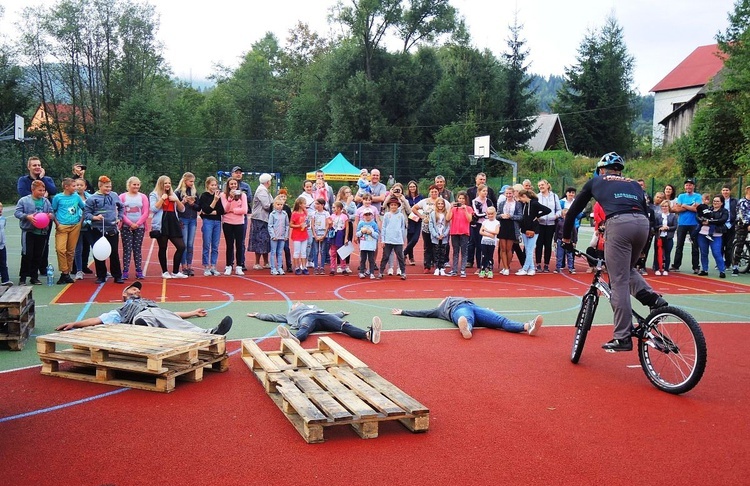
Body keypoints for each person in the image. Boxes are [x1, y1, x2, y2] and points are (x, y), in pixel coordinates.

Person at [562, 152, 668, 352]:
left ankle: (622, 336)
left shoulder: (596, 181)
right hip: (643, 225)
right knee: (627, 269)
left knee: (617, 279)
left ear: (601, 170)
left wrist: (566, 240)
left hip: (619, 224)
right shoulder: (635, 184)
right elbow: (647, 211)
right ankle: (654, 299)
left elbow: (573, 212)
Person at [55, 280, 233, 335]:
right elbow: (97, 320)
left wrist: (192, 312)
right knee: (150, 316)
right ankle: (207, 333)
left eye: (138, 289)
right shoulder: (118, 311)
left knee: (166, 317)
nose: (137, 290)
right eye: (133, 289)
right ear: (124, 294)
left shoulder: (149, 302)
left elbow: (172, 315)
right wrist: (74, 323)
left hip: (155, 315)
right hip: (138, 317)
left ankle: (209, 332)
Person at [392, 296, 543, 339]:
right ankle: (466, 328)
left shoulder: (449, 300)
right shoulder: (441, 309)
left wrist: (487, 310)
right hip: (459, 310)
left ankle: (527, 326)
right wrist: (404, 311)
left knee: (500, 320)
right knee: (465, 317)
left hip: (475, 308)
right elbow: (423, 312)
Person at [247, 302, 382, 344]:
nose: (298, 302)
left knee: (343, 325)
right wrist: (258, 315)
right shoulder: (290, 315)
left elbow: (331, 315)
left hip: (323, 316)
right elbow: (273, 317)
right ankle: (295, 339)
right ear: (292, 308)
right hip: (307, 318)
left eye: (299, 302)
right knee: (305, 327)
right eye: (295, 303)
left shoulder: (314, 307)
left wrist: (340, 313)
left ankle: (368, 334)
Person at [18, 156, 57, 277]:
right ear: (29, 167)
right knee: (29, 246)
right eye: (34, 165)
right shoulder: (23, 180)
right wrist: (39, 194)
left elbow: (53, 190)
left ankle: (42, 267)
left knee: (43, 242)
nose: (37, 167)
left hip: (44, 218)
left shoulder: (47, 179)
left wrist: (41, 178)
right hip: (30, 219)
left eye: (39, 165)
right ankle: (27, 270)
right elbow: (22, 192)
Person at [85, 176, 124, 284]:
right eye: (106, 187)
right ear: (100, 186)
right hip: (97, 229)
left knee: (114, 253)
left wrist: (119, 218)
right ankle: (101, 275)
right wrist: (95, 217)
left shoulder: (114, 195)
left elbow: (121, 207)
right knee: (99, 252)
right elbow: (86, 213)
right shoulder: (92, 198)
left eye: (110, 187)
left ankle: (117, 276)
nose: (108, 189)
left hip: (112, 229)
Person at [15, 180, 54, 285]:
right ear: (33, 190)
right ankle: (22, 278)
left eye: (43, 190)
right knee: (27, 254)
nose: (42, 192)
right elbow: (17, 212)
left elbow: (51, 212)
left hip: (41, 232)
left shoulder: (45, 201)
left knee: (38, 255)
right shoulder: (24, 200)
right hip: (29, 232)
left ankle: (34, 277)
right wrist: (27, 216)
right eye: (39, 190)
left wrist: (50, 215)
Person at [149, 176, 187, 280]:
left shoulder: (173, 194)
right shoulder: (154, 194)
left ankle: (175, 271)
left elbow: (182, 209)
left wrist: (177, 200)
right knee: (163, 247)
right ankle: (165, 271)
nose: (168, 185)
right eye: (165, 183)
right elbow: (153, 209)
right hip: (162, 222)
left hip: (173, 222)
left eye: (169, 183)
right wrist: (162, 199)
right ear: (161, 184)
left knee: (181, 246)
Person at [51, 178, 86, 284]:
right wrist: (57, 224)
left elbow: (84, 208)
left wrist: (80, 222)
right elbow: (53, 211)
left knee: (70, 251)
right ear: (66, 187)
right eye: (74, 186)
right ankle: (65, 271)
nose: (76, 188)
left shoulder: (76, 197)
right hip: (62, 226)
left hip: (75, 226)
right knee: (60, 249)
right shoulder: (58, 197)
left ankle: (65, 274)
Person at [119, 176, 149, 280]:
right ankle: (125, 271)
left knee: (137, 249)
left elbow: (146, 212)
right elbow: (121, 212)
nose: (136, 186)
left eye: (138, 184)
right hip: (126, 227)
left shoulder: (143, 197)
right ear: (129, 185)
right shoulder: (122, 196)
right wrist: (130, 223)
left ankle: (139, 271)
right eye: (134, 184)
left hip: (139, 227)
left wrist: (138, 224)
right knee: (127, 249)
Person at [516, 189, 551, 276]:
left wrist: (538, 215)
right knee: (527, 249)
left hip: (533, 229)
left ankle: (525, 268)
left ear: (524, 196)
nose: (520, 200)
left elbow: (547, 210)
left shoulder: (534, 203)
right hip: (524, 229)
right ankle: (531, 268)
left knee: (530, 249)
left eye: (520, 198)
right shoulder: (524, 204)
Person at [670, 178, 702, 274]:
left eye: (690, 185)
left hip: (694, 224)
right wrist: (690, 206)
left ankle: (696, 267)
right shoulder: (681, 196)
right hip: (682, 224)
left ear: (693, 186)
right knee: (679, 245)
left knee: (695, 246)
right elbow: (677, 209)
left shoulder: (698, 196)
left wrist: (684, 206)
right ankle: (676, 265)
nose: (688, 186)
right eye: (687, 185)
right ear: (685, 186)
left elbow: (697, 209)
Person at [696, 194, 729, 278]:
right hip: (703, 234)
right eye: (714, 201)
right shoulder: (708, 209)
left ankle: (722, 270)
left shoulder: (724, 211)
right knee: (703, 252)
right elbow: (698, 216)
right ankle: (704, 269)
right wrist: (702, 221)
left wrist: (710, 222)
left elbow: (722, 220)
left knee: (716, 253)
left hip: (716, 235)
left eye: (717, 201)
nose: (715, 203)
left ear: (722, 202)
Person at [220, 178, 248, 275]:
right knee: (229, 244)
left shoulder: (243, 195)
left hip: (239, 223)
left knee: (239, 244)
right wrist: (230, 199)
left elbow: (245, 210)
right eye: (231, 184)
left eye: (235, 184)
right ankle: (228, 265)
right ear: (228, 185)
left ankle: (239, 266)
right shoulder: (223, 195)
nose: (233, 185)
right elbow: (225, 209)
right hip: (227, 222)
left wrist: (234, 211)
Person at [198, 176, 225, 276]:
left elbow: (222, 211)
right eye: (212, 185)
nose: (214, 187)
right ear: (208, 185)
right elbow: (205, 210)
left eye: (215, 185)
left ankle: (213, 266)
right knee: (206, 244)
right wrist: (214, 201)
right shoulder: (204, 196)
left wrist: (212, 211)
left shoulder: (219, 196)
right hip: (207, 222)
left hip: (217, 222)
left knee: (215, 245)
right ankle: (206, 266)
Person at [175, 172, 200, 276]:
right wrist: (183, 202)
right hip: (183, 219)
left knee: (190, 244)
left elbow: (199, 208)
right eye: (190, 181)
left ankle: (190, 266)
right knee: (184, 244)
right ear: (185, 181)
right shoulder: (178, 192)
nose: (192, 183)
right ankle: (183, 266)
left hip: (193, 219)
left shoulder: (194, 192)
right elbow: (176, 208)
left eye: (193, 181)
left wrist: (192, 203)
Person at [411, 185, 440, 273]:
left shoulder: (441, 201)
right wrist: (421, 216)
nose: (434, 193)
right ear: (429, 192)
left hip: (437, 228)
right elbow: (414, 208)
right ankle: (427, 266)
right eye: (432, 191)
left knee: (437, 246)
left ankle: (437, 265)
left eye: (435, 191)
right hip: (426, 227)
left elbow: (448, 209)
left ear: (438, 192)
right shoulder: (424, 201)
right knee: (427, 246)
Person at [534, 179, 561, 273]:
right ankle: (538, 264)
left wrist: (556, 216)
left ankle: (546, 264)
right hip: (540, 224)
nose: (541, 187)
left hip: (551, 224)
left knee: (548, 244)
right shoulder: (537, 197)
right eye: (539, 185)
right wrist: (537, 216)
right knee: (539, 244)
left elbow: (559, 209)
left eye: (542, 185)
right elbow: (535, 209)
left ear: (547, 185)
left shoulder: (554, 196)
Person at [378, 198, 407, 280]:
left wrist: (402, 238)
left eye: (395, 205)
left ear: (398, 206)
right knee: (385, 256)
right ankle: (381, 271)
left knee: (400, 256)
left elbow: (402, 228)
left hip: (398, 240)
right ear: (389, 206)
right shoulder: (387, 215)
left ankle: (403, 272)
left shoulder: (401, 215)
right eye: (392, 205)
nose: (393, 206)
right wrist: (383, 240)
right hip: (388, 239)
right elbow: (383, 227)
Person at [249, 173, 274, 270]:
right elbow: (267, 205)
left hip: (265, 218)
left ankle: (266, 262)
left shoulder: (264, 190)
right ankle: (256, 262)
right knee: (259, 240)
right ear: (268, 181)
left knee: (265, 240)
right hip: (260, 218)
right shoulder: (261, 191)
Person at [497, 185, 522, 276]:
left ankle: (507, 266)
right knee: (503, 248)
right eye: (507, 193)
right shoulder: (501, 203)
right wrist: (501, 216)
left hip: (512, 226)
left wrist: (511, 216)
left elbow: (520, 217)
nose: (508, 195)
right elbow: (497, 215)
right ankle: (505, 267)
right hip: (503, 226)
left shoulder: (518, 204)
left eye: (510, 193)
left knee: (509, 248)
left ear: (513, 193)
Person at [448, 191, 473, 277]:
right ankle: (454, 269)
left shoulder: (469, 208)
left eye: (463, 198)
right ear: (457, 199)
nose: (461, 200)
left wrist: (465, 209)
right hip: (454, 232)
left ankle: (463, 270)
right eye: (460, 198)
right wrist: (450, 208)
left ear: (466, 200)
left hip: (464, 232)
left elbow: (469, 219)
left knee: (464, 251)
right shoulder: (454, 209)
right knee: (455, 251)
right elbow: (448, 218)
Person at [230, 166, 252, 260]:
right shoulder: (227, 185)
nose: (238, 174)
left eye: (240, 173)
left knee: (241, 240)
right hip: (230, 216)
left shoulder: (246, 186)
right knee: (230, 240)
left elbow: (250, 199)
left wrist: (240, 195)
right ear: (232, 174)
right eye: (236, 172)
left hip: (242, 216)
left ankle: (241, 262)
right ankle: (230, 262)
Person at [72, 178, 92, 279]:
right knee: (78, 249)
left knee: (94, 247)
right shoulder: (72, 198)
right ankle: (78, 270)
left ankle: (102, 270)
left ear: (85, 187)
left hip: (89, 225)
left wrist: (89, 221)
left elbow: (92, 209)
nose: (79, 187)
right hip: (77, 225)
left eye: (81, 185)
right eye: (77, 185)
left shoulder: (90, 197)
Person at [468, 184, 490, 269]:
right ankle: (479, 266)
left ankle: (487, 264)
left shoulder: (489, 201)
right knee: (479, 246)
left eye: (486, 191)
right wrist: (486, 214)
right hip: (477, 225)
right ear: (479, 192)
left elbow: (492, 211)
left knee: (487, 245)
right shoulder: (475, 201)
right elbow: (477, 214)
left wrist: (487, 215)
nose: (485, 193)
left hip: (487, 225)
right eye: (483, 191)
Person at [653, 200, 677, 275]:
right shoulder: (658, 216)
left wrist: (668, 228)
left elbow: (675, 226)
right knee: (657, 253)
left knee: (667, 254)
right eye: (663, 206)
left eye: (666, 206)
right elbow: (655, 226)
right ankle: (657, 268)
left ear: (669, 207)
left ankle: (666, 269)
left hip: (668, 238)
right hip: (659, 237)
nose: (664, 207)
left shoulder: (673, 216)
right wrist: (660, 227)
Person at [268, 195, 289, 276]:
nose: (280, 206)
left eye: (281, 204)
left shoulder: (285, 214)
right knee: (273, 252)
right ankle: (273, 268)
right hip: (275, 237)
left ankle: (280, 267)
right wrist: (273, 235)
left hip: (282, 236)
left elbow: (287, 225)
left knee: (280, 252)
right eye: (278, 204)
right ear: (274, 205)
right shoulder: (272, 214)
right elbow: (270, 225)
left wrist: (286, 235)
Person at [404, 180, 424, 266]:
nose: (412, 188)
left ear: (416, 187)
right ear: (408, 188)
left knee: (415, 239)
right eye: (410, 187)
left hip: (418, 220)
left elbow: (423, 207)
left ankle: (403, 253)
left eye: (414, 186)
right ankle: (411, 257)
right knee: (409, 238)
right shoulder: (406, 197)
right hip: (409, 220)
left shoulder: (421, 197)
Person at [731, 185, 750, 276]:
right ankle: (735, 266)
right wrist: (747, 224)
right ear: (747, 191)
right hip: (742, 225)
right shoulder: (742, 202)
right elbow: (742, 214)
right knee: (740, 244)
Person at [429, 197, 451, 276]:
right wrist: (435, 234)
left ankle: (441, 268)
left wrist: (444, 234)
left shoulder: (446, 213)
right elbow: (431, 225)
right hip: (436, 236)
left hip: (444, 236)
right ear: (436, 204)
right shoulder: (432, 214)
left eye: (442, 204)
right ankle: (437, 268)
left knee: (443, 252)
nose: (440, 205)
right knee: (436, 252)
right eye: (439, 203)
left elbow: (448, 225)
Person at [356, 207, 380, 278]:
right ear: (363, 216)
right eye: (366, 214)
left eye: (369, 214)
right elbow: (357, 234)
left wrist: (371, 233)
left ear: (372, 215)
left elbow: (377, 235)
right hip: (363, 245)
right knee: (363, 259)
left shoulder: (374, 224)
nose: (368, 216)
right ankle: (361, 272)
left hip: (371, 246)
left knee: (371, 259)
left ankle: (371, 272)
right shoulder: (361, 223)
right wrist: (361, 231)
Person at [309, 197, 330, 275]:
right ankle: (315, 267)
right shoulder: (314, 213)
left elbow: (328, 224)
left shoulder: (326, 213)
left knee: (323, 251)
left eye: (318, 204)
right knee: (316, 251)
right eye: (315, 204)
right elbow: (312, 225)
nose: (316, 205)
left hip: (323, 235)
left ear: (322, 205)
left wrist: (324, 235)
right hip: (316, 235)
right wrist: (315, 234)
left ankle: (322, 267)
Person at [327, 201, 349, 275]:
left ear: (339, 208)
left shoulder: (344, 216)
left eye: (334, 207)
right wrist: (330, 224)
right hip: (334, 234)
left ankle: (343, 267)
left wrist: (346, 238)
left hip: (340, 234)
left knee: (342, 252)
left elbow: (347, 228)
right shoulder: (332, 216)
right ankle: (332, 268)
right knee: (333, 252)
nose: (333, 209)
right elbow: (329, 227)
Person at [289, 197, 309, 275]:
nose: (305, 205)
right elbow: (291, 224)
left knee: (304, 251)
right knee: (297, 251)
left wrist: (306, 225)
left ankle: (304, 267)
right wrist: (299, 226)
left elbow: (307, 221)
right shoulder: (295, 214)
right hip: (297, 235)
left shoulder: (305, 212)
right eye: (304, 203)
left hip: (304, 234)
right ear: (300, 205)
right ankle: (297, 267)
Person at [478, 206, 500, 278]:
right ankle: (483, 270)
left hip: (492, 242)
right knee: (484, 256)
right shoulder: (485, 222)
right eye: (489, 214)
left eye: (492, 214)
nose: (490, 215)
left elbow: (496, 232)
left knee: (490, 256)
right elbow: (481, 232)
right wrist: (489, 234)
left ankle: (490, 270)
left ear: (495, 214)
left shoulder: (497, 222)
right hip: (484, 241)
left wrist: (487, 230)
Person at [721, 185, 738, 270]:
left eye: (727, 190)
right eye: (723, 190)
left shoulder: (734, 201)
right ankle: (720, 262)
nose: (725, 192)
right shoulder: (719, 200)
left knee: (729, 246)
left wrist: (734, 222)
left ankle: (727, 263)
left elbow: (737, 212)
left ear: (730, 191)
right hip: (721, 226)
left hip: (731, 225)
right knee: (720, 245)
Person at [0, 202, 11, 285]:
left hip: (2, 245)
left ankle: (5, 280)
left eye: (1, 208)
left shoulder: (3, 219)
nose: (0, 209)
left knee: (3, 263)